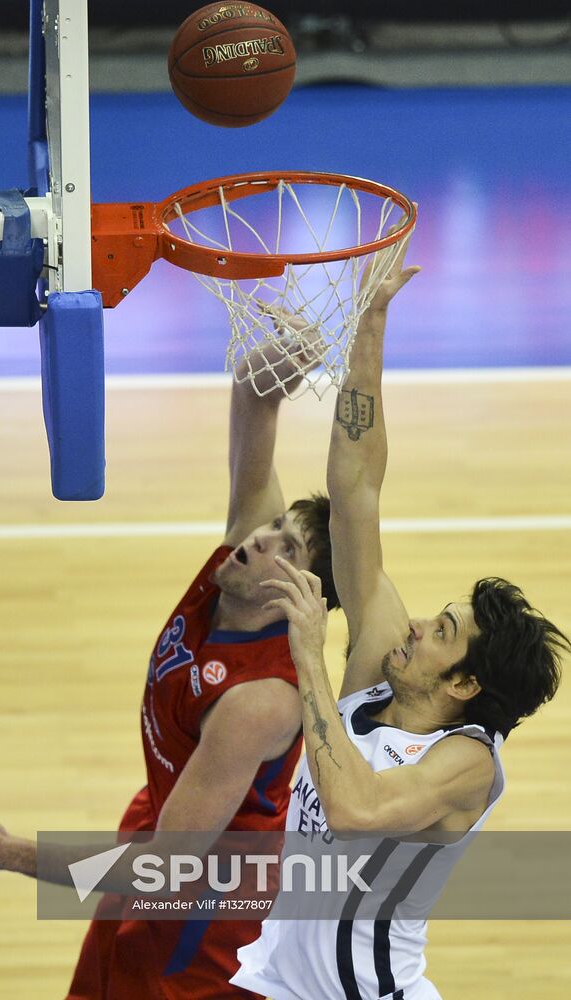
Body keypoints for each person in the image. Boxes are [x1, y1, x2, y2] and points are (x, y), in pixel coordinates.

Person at [0, 327, 339, 1000]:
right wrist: (269, 365)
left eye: (284, 545)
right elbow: (256, 403)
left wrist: (7, 853)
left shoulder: (261, 701)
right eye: (272, 525)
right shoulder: (236, 571)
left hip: (200, 916)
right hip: (165, 826)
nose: (259, 536)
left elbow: (164, 871)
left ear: (295, 596)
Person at [231, 237, 569, 1000]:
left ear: (464, 685)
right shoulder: (382, 668)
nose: (415, 627)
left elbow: (354, 810)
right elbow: (355, 489)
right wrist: (369, 326)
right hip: (271, 983)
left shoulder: (466, 764)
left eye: (441, 635)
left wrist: (312, 656)